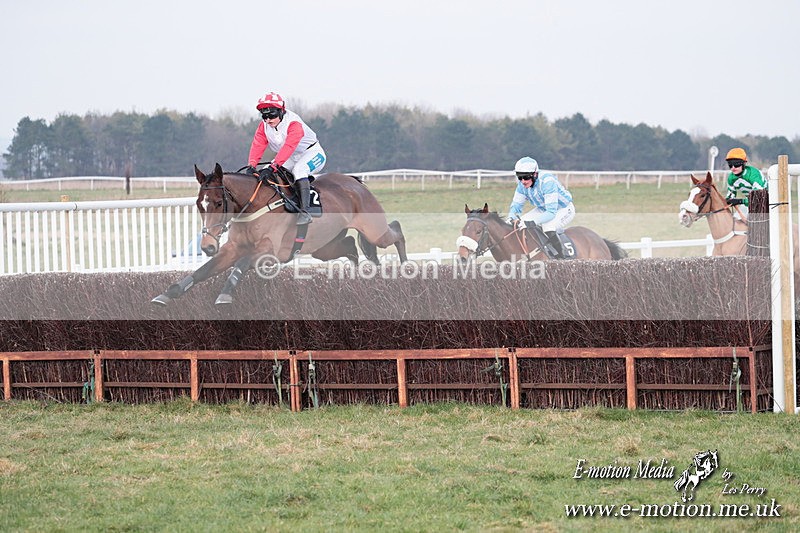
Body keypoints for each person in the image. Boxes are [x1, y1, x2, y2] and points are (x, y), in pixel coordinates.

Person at [242, 92, 327, 224]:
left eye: (272, 115)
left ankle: (305, 212)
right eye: (265, 116)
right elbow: (258, 144)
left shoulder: (294, 123)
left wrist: (274, 166)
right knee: (264, 171)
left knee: (299, 170)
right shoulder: (263, 126)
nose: (268, 120)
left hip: (312, 153)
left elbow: (289, 146)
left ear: (281, 111)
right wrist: (252, 165)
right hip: (290, 156)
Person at [505, 156, 575, 258]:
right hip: (543, 209)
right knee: (519, 225)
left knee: (548, 227)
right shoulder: (521, 185)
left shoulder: (547, 182)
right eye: (520, 177)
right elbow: (516, 206)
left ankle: (561, 258)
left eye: (526, 177)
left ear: (535, 174)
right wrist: (511, 218)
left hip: (563, 209)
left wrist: (532, 222)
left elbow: (551, 213)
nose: (523, 181)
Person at [724, 147, 766, 216]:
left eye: (736, 164)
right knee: (736, 219)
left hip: (766, 201)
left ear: (743, 164)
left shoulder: (753, 175)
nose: (733, 167)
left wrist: (740, 201)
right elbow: (730, 197)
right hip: (750, 202)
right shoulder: (731, 178)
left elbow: (759, 197)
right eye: (730, 165)